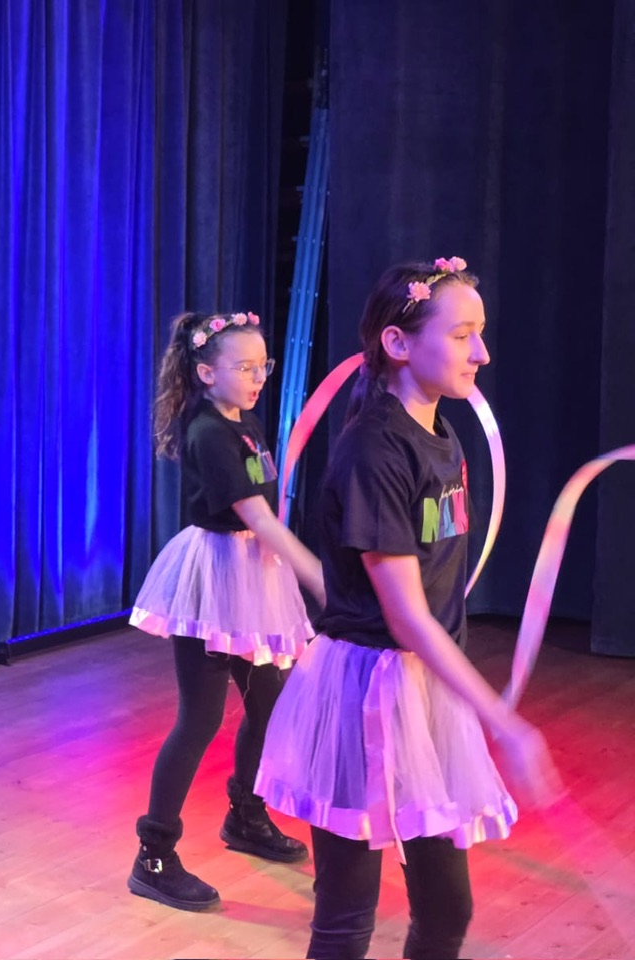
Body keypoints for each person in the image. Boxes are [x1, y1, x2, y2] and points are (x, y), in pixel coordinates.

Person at [255, 258, 561, 959]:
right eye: (461, 335)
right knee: (346, 917)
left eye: (480, 333)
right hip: (364, 690)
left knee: (448, 908)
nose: (482, 353)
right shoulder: (375, 449)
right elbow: (407, 616)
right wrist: (504, 722)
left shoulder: (440, 435)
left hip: (422, 691)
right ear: (398, 343)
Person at [127, 310, 326, 911]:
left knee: (271, 703)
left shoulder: (245, 421)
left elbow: (265, 509)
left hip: (252, 575)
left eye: (263, 365)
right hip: (214, 582)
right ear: (207, 372)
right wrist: (321, 579)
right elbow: (259, 518)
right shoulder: (208, 432)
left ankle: (245, 814)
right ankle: (153, 856)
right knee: (201, 717)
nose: (259, 377)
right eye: (244, 367)